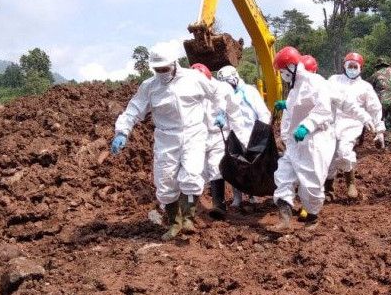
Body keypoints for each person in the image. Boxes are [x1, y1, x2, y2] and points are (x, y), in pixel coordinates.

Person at [110, 44, 242, 241]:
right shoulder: (150, 87)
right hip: (166, 137)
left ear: (174, 64)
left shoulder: (193, 78)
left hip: (193, 133)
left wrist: (221, 110)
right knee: (165, 182)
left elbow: (217, 93)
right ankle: (174, 222)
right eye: (158, 69)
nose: (162, 72)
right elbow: (133, 110)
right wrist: (122, 132)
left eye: (165, 68)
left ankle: (189, 217)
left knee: (191, 176)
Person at [271, 46, 335, 231]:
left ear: (292, 67)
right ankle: (284, 220)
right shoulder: (294, 88)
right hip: (294, 143)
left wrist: (306, 126)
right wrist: (286, 108)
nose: (282, 75)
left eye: (283, 70)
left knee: (310, 183)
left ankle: (312, 217)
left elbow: (323, 109)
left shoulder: (316, 82)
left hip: (314, 140)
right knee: (283, 176)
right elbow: (293, 112)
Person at [326, 52, 383, 200]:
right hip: (332, 121)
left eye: (354, 66)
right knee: (328, 154)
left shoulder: (366, 87)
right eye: (349, 66)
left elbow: (375, 108)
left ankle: (350, 182)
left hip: (353, 123)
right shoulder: (333, 80)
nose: (352, 69)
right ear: (344, 66)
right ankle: (328, 189)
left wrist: (379, 129)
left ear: (360, 68)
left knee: (344, 151)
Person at [216, 65, 272, 212]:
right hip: (235, 136)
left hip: (253, 136)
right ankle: (237, 197)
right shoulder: (225, 95)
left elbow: (263, 113)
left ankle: (253, 195)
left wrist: (260, 134)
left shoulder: (249, 92)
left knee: (254, 167)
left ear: (235, 78)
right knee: (236, 167)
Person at [191, 62, 231, 220]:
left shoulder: (219, 88)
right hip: (199, 135)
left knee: (215, 167)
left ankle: (219, 205)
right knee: (195, 171)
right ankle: (190, 207)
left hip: (217, 134)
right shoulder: (192, 90)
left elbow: (232, 109)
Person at [370, 57, 391, 149]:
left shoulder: (375, 75)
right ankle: (386, 146)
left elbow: (369, 88)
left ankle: (380, 139)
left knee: (380, 122)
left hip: (381, 103)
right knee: (389, 124)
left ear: (378, 67)